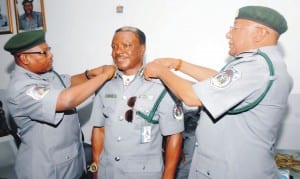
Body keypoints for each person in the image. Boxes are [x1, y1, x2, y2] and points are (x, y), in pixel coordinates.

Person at [144, 5, 293, 179]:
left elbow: (192, 97)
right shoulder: (266, 66)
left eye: (235, 29)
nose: (228, 34)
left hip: (232, 171)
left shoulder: (256, 66)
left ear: (259, 33)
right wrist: (179, 64)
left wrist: (161, 71)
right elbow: (221, 81)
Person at [3, 30, 116, 179]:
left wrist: (90, 74)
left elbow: (67, 82)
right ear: (25, 58)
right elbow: (66, 100)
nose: (51, 55)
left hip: (70, 164)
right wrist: (104, 76)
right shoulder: (22, 88)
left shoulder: (45, 74)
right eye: (44, 52)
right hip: (45, 170)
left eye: (48, 49)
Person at [90, 26, 184, 179]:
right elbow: (99, 129)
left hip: (143, 174)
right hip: (108, 172)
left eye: (126, 45)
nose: (118, 51)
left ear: (142, 49)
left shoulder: (161, 86)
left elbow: (174, 136)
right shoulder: (104, 83)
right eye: (114, 46)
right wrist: (96, 169)